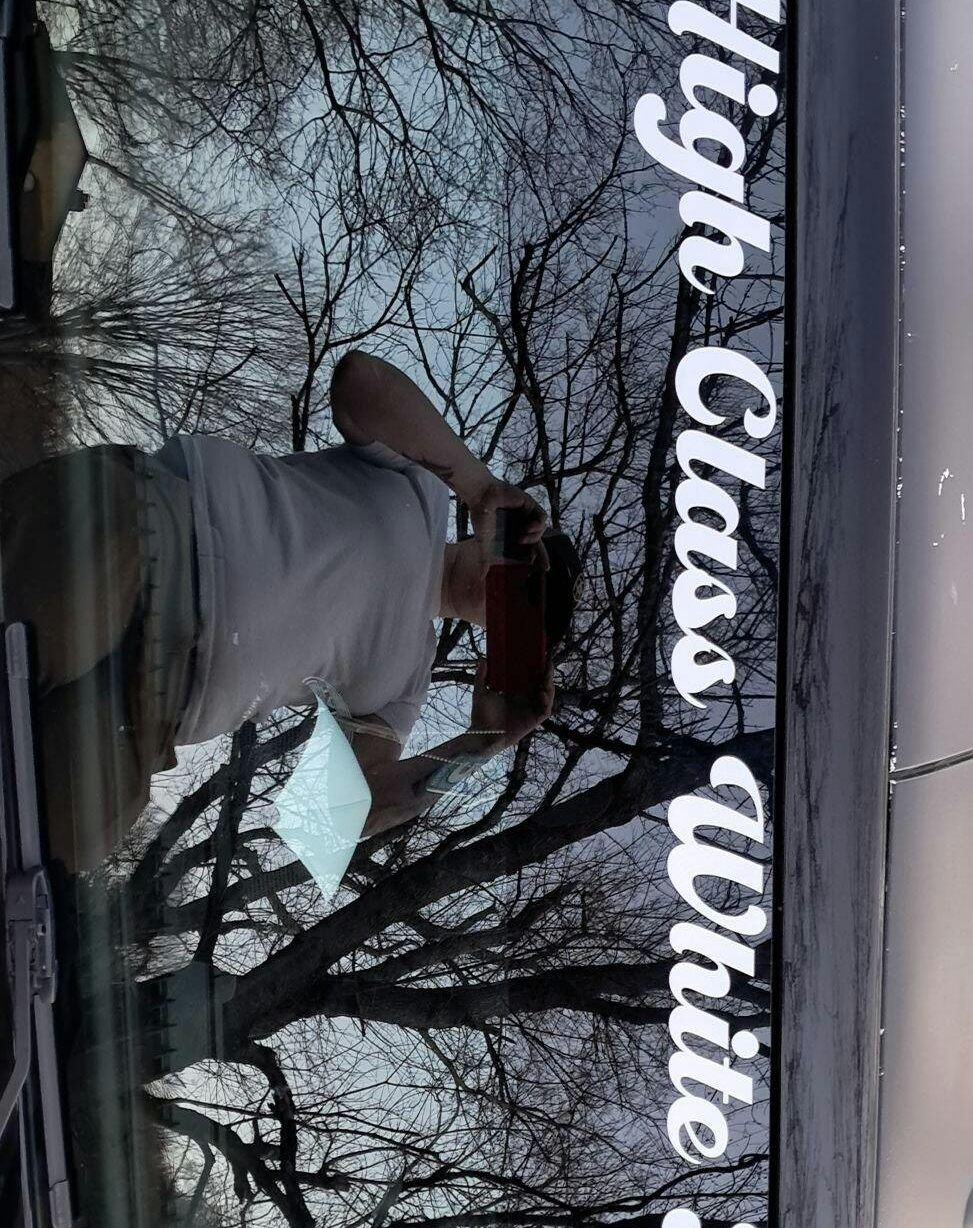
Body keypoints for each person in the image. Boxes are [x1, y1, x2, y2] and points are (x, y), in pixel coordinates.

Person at [0, 353, 581, 871]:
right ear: (510, 535)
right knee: (25, 624)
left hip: (149, 716)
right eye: (529, 569)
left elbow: (335, 819)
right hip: (150, 541)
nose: (519, 593)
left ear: (507, 638)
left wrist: (480, 743)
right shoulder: (424, 486)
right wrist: (481, 488)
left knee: (47, 841)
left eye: (532, 611)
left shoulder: (406, 685)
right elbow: (359, 382)